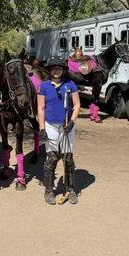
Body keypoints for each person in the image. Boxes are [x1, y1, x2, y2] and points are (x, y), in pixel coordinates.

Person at [37, 56, 81, 205]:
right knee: (52, 158)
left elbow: (77, 105)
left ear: (63, 70)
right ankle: (49, 191)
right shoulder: (44, 86)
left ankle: (70, 190)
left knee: (68, 159)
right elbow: (40, 108)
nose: (56, 71)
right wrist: (42, 128)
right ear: (50, 70)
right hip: (50, 125)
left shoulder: (70, 84)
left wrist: (72, 123)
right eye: (54, 68)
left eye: (59, 68)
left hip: (66, 125)